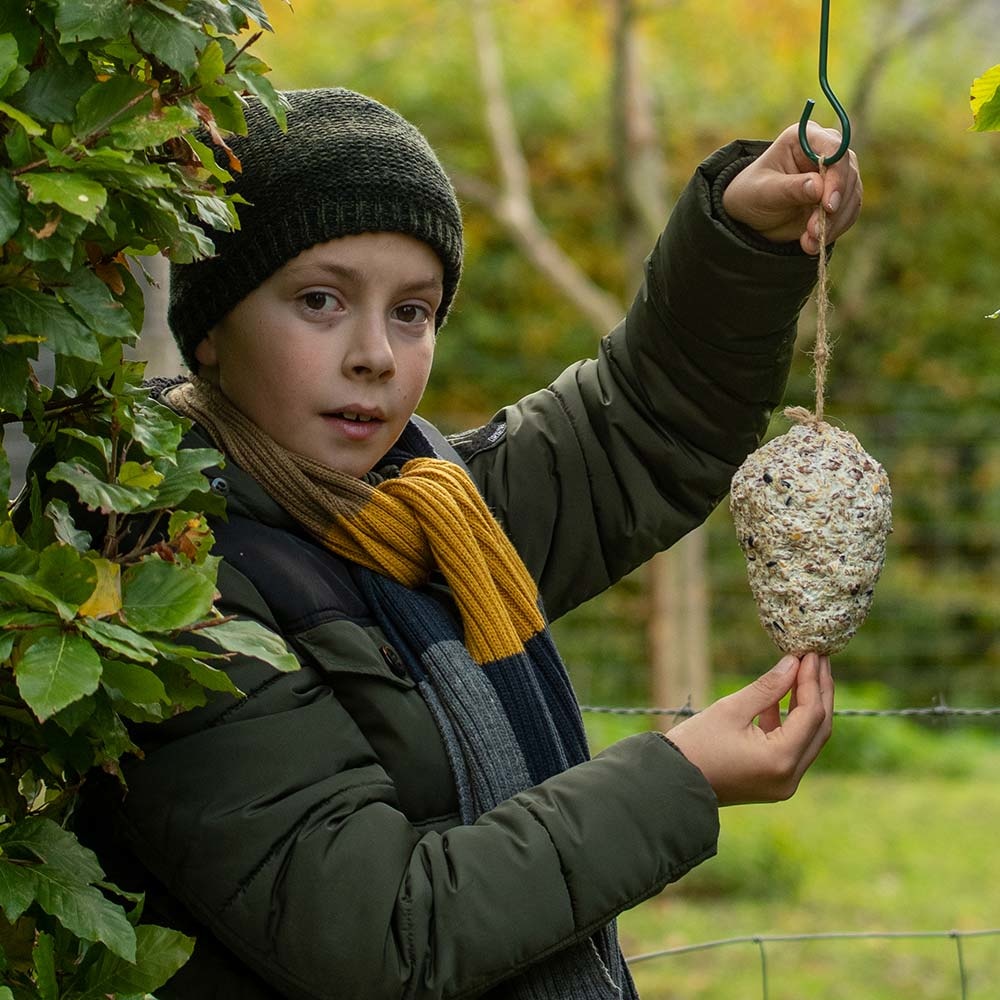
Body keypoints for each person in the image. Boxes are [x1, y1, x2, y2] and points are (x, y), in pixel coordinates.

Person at [88, 87, 859, 999]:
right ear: (212, 327)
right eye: (321, 299)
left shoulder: (429, 512)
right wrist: (679, 779)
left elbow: (640, 426)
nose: (375, 352)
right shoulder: (166, 582)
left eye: (412, 311)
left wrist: (745, 236)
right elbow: (381, 933)